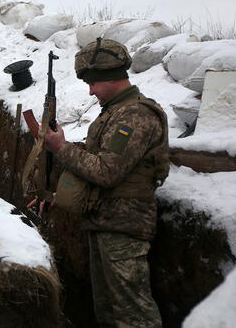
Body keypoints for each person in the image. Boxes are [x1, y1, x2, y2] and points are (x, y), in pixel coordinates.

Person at [43, 38, 169, 327]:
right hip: (104, 221)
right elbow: (101, 156)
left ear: (109, 77)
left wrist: (61, 149)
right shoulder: (115, 112)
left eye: (93, 83)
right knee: (107, 310)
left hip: (124, 227)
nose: (91, 90)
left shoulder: (135, 115)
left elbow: (106, 171)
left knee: (133, 314)